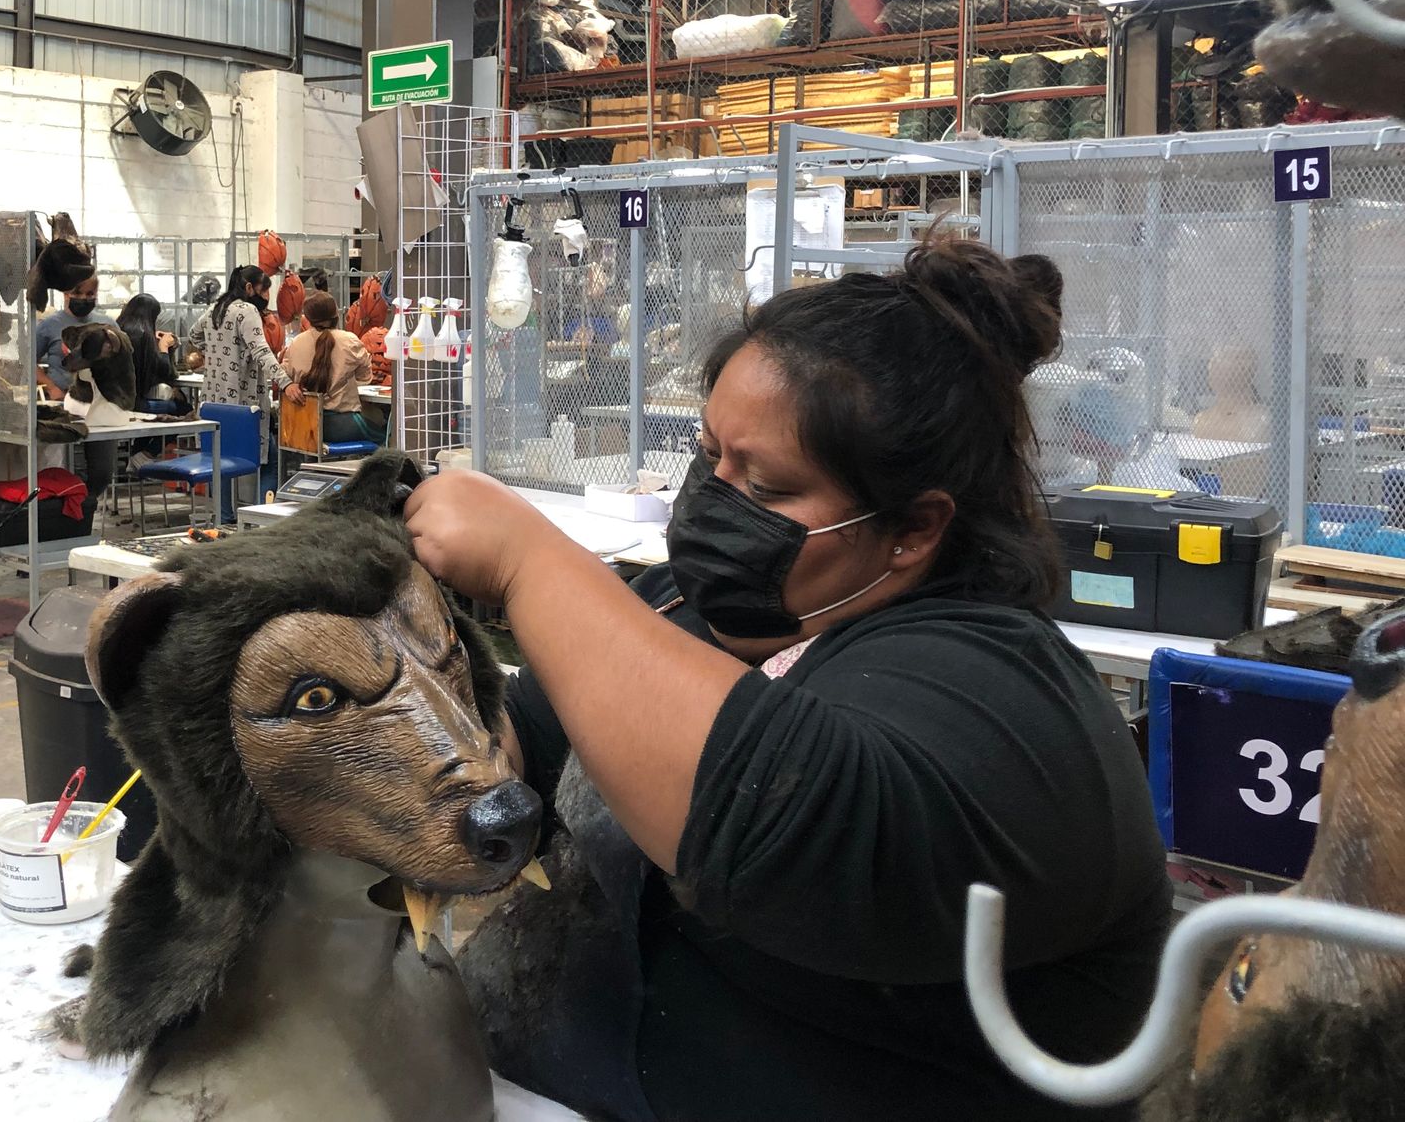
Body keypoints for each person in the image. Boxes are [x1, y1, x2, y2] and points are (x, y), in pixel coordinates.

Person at [405, 237, 1169, 1122]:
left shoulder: (1008, 700)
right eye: (710, 457)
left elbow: (778, 815)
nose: (712, 498)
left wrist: (531, 564)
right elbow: (516, 751)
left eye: (764, 487)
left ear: (914, 528)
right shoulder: (689, 606)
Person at [189, 266, 304, 518]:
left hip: (214, 401)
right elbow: (262, 351)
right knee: (270, 461)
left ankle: (224, 517)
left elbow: (193, 335)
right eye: (265, 290)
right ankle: (262, 516)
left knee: (219, 459)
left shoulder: (215, 309)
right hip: (243, 402)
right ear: (250, 288)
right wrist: (286, 383)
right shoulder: (247, 311)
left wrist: (217, 352)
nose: (267, 297)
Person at [33, 271, 115, 507]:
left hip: (100, 406)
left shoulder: (108, 324)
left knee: (102, 470)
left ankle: (83, 506)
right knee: (63, 468)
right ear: (66, 293)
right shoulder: (49, 326)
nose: (84, 298)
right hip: (63, 407)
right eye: (78, 293)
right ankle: (69, 512)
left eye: (90, 293)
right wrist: (50, 386)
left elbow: (121, 362)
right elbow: (27, 361)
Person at [279, 292, 382, 447]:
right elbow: (365, 378)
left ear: (308, 318)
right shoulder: (350, 340)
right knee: (387, 432)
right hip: (343, 425)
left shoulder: (296, 343)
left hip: (306, 426)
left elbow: (285, 375)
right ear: (336, 315)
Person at [115, 293, 186, 415]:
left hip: (116, 400)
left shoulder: (119, 329)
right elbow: (166, 373)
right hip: (134, 404)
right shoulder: (142, 336)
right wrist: (164, 346)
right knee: (184, 407)